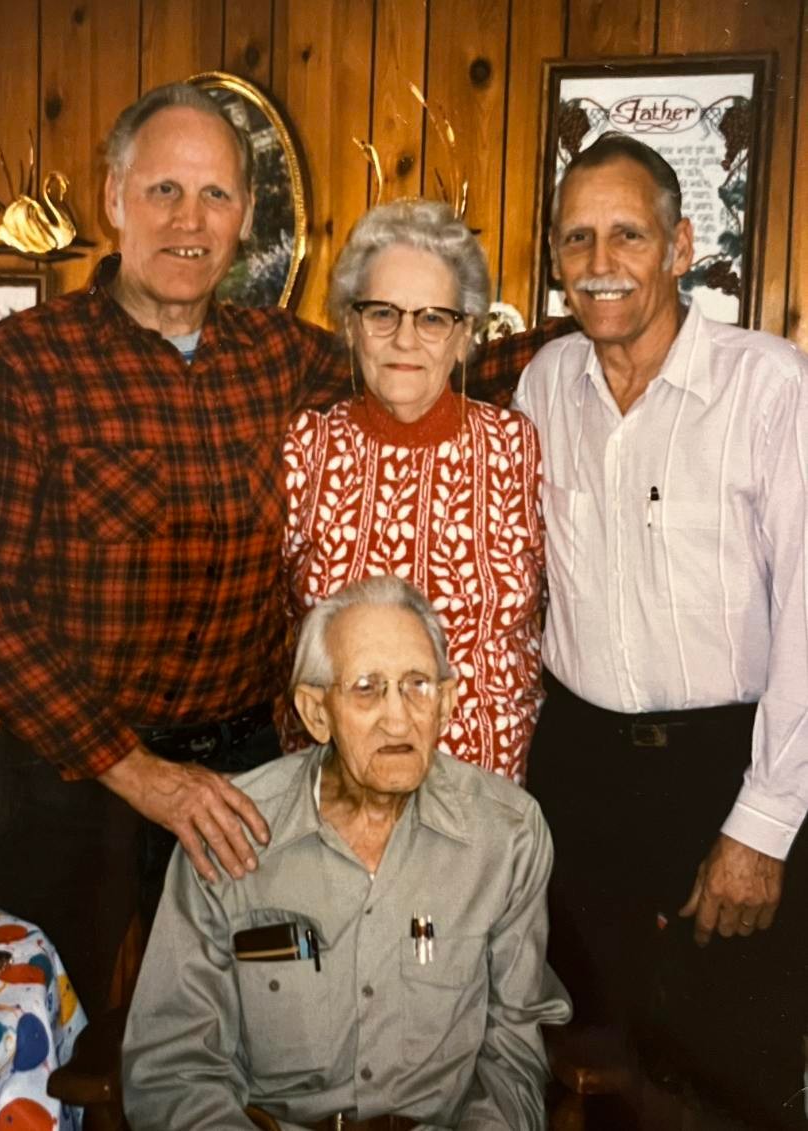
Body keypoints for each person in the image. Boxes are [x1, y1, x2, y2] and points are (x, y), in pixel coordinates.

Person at [0, 83, 569, 1017]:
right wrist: (139, 773)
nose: (188, 220)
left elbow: (412, 362)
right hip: (70, 782)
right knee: (47, 1036)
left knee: (252, 1030)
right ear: (114, 197)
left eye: (215, 195)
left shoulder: (280, 355)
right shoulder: (23, 363)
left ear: (245, 217)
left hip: (245, 778)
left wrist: (609, 330)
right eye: (163, 190)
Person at [512, 132, 808, 1128]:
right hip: (577, 771)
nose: (599, 262)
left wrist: (760, 828)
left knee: (732, 1077)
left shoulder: (769, 386)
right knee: (588, 1062)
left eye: (627, 235)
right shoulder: (543, 383)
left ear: (680, 246)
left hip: (727, 767)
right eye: (576, 238)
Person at [123, 575, 570, 1130]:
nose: (398, 718)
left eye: (417, 686)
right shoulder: (229, 832)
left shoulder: (506, 836)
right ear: (316, 713)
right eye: (366, 688)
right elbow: (174, 1068)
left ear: (447, 703)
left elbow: (513, 1057)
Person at [283, 200, 545, 783]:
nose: (405, 339)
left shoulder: (519, 448)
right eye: (382, 313)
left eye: (432, 319)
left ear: (464, 335)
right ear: (351, 326)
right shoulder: (307, 449)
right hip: (339, 790)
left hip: (487, 796)